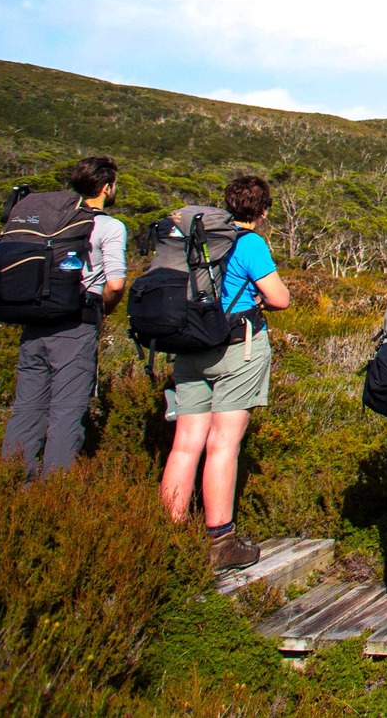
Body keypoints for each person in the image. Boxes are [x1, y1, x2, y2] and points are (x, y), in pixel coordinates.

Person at [159, 173, 291, 569]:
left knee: (185, 443)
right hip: (236, 349)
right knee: (223, 444)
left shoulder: (197, 239)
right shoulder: (249, 243)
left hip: (189, 346)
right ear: (262, 211)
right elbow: (280, 298)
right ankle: (220, 539)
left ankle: (168, 534)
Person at [2, 156, 126, 477]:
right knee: (67, 412)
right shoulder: (109, 226)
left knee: (26, 407)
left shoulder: (49, 221)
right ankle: (55, 490)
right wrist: (103, 311)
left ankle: (11, 482)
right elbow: (115, 284)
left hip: (35, 320)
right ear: (106, 187)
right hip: (76, 323)